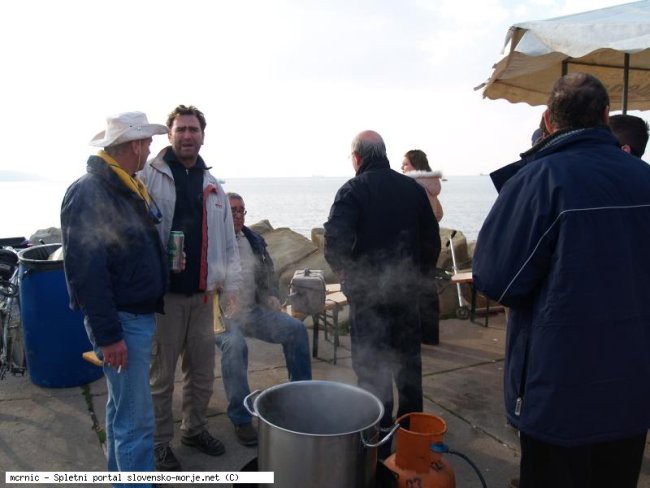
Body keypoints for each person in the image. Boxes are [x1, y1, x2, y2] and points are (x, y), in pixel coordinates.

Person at [473, 73, 650, 488]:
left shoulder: (539, 180)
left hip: (559, 392)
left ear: (549, 120)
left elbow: (497, 279)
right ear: (606, 116)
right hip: (633, 388)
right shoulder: (645, 179)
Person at [61, 112, 169, 485]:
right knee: (137, 423)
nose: (151, 148)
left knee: (120, 410)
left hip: (131, 316)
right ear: (136, 145)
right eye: (148, 142)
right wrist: (109, 336)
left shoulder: (124, 185)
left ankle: (117, 478)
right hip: (122, 322)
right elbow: (86, 272)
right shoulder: (92, 191)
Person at [139, 105, 241, 471]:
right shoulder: (149, 175)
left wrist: (232, 285)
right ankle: (158, 443)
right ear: (170, 135)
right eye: (180, 129)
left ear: (203, 134)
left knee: (201, 372)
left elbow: (228, 241)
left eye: (193, 129)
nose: (187, 136)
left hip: (203, 296)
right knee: (161, 376)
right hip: (164, 298)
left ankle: (194, 428)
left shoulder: (213, 184)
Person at [323, 130, 440, 441]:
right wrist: (417, 279)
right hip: (406, 297)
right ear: (384, 154)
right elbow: (432, 242)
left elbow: (334, 244)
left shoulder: (352, 190)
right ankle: (411, 439)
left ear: (357, 158)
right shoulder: (413, 190)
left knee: (373, 372)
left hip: (368, 300)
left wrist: (349, 280)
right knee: (408, 370)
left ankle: (378, 438)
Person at [213, 192, 312, 444]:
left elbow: (267, 275)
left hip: (252, 311)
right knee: (235, 346)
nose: (237, 215)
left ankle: (300, 398)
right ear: (222, 212)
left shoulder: (253, 238)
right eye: (232, 210)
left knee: (296, 330)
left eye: (241, 210)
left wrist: (270, 296)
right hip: (220, 316)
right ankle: (241, 418)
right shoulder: (211, 240)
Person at [401, 149, 443, 345]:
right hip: (432, 239)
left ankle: (415, 334)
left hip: (417, 240)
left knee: (412, 287)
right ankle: (431, 335)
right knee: (428, 286)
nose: (402, 168)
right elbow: (439, 213)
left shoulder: (413, 184)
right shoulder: (432, 184)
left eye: (406, 164)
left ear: (415, 165)